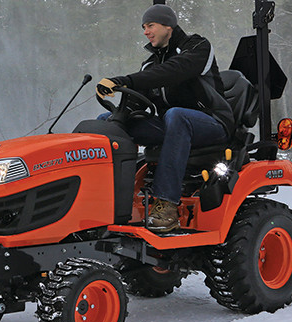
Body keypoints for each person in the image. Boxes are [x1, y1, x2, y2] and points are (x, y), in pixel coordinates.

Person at [95, 4, 234, 233]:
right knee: (107, 120)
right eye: (143, 27)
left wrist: (127, 80)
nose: (145, 32)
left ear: (168, 25)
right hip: (173, 126)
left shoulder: (197, 46)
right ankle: (106, 198)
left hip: (212, 123)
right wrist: (120, 111)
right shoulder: (151, 63)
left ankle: (166, 206)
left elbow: (176, 70)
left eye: (150, 25)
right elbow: (139, 98)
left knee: (176, 114)